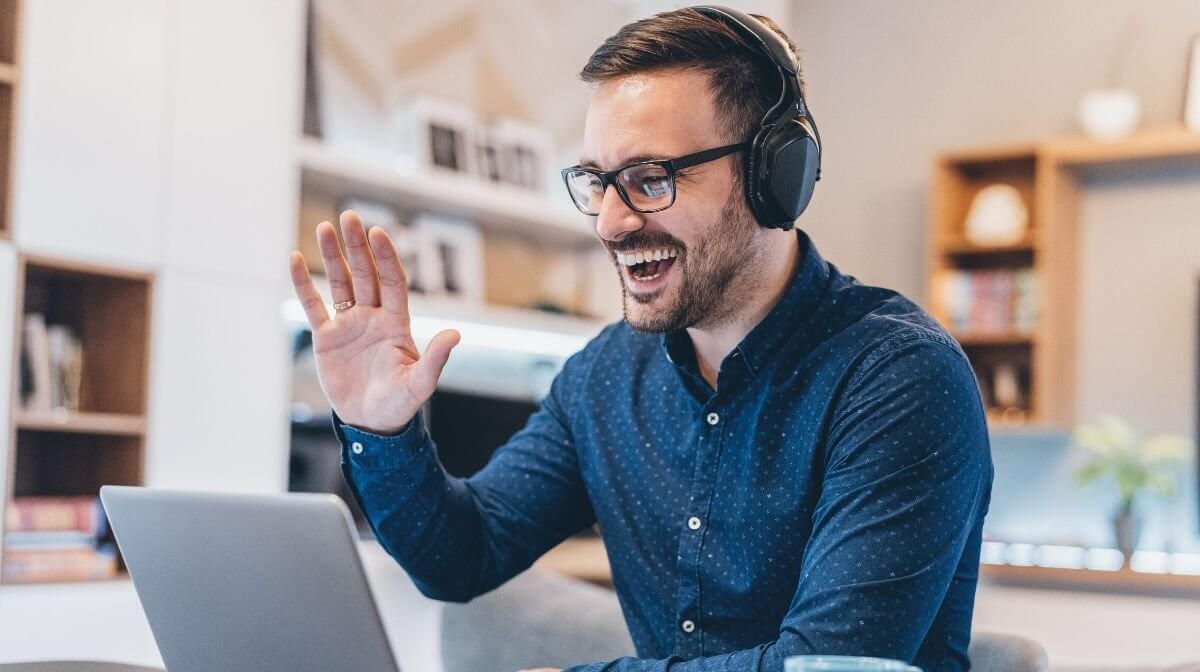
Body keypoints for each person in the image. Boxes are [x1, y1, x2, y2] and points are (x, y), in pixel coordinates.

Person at [287, 6, 992, 672]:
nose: (610, 223)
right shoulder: (603, 378)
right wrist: (380, 430)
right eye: (598, 182)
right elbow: (461, 558)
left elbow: (828, 664)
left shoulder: (899, 378)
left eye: (651, 179)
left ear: (774, 175)